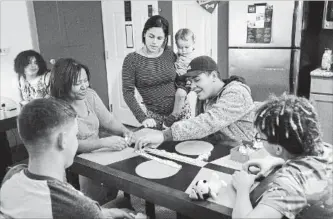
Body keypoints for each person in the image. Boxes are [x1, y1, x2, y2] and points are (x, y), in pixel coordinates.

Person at [0, 98, 134, 219]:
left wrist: (107, 212)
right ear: (62, 140)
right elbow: (78, 209)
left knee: (121, 204)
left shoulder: (12, 175)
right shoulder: (75, 205)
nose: (76, 142)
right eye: (75, 135)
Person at [231, 94, 333, 219]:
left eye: (260, 137)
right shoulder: (326, 149)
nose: (260, 140)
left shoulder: (288, 184)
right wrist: (274, 161)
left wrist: (242, 188)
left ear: (278, 148)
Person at [50, 58, 133, 203]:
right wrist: (103, 143)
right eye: (77, 83)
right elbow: (69, 144)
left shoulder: (89, 95)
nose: (84, 86)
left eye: (85, 80)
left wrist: (125, 131)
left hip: (97, 152)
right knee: (93, 199)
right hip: (75, 161)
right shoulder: (56, 107)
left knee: (117, 178)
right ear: (63, 85)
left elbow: (108, 120)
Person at [135, 56, 256, 149]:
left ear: (213, 76)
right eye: (190, 82)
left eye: (197, 80)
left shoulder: (236, 93)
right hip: (216, 149)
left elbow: (207, 122)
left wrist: (165, 135)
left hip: (239, 155)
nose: (192, 87)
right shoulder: (205, 96)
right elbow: (201, 129)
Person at [122, 15, 191, 130]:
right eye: (151, 36)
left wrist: (183, 90)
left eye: (159, 38)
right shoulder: (131, 60)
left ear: (165, 38)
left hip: (181, 112)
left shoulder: (169, 53)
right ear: (144, 34)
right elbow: (127, 92)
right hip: (155, 119)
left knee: (184, 147)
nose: (154, 42)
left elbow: (182, 78)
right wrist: (142, 118)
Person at [166, 28, 198, 127]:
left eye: (186, 47)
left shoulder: (194, 58)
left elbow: (196, 72)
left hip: (187, 81)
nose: (183, 50)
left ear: (193, 43)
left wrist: (190, 81)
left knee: (180, 93)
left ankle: (175, 114)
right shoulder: (177, 56)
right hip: (177, 79)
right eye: (180, 47)